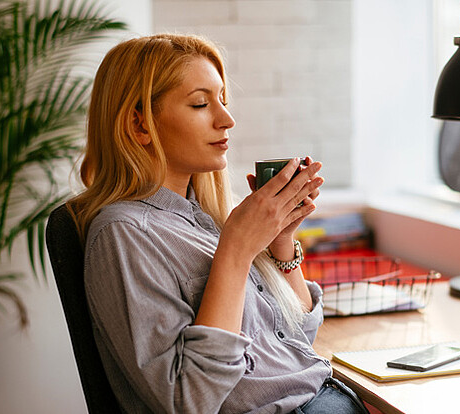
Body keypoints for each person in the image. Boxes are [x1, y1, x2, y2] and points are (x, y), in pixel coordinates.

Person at [67, 33, 369, 414]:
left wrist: (280, 244)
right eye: (200, 104)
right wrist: (237, 249)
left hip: (322, 397)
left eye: (223, 101)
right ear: (140, 125)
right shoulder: (125, 234)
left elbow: (295, 342)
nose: (227, 119)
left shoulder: (206, 221)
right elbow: (187, 400)